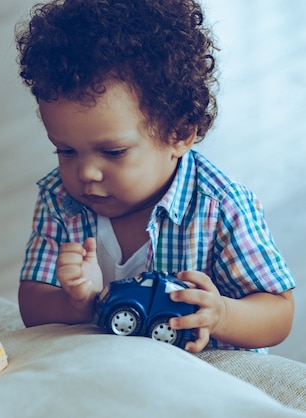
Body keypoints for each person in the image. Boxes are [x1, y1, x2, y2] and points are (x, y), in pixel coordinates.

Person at [15, 0, 295, 353]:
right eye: (65, 150)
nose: (85, 172)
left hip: (204, 377)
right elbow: (32, 303)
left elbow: (279, 312)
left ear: (179, 134)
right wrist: (77, 304)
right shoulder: (59, 198)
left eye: (114, 152)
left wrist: (222, 313)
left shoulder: (220, 205)